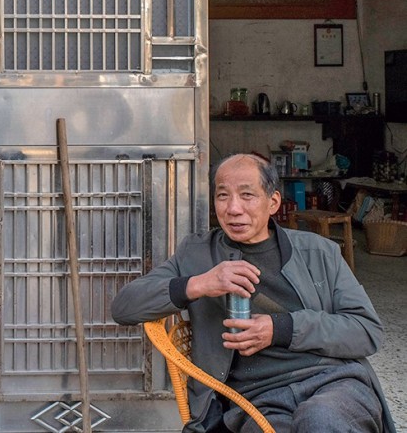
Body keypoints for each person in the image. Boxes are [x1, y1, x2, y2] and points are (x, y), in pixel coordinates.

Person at [111, 153, 395, 433]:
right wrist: (199, 283)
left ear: (273, 202)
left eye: (247, 195)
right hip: (257, 400)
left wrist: (281, 328)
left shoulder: (319, 252)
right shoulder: (197, 254)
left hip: (333, 382)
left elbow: (366, 331)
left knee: (320, 421)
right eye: (223, 196)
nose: (233, 208)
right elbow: (124, 308)